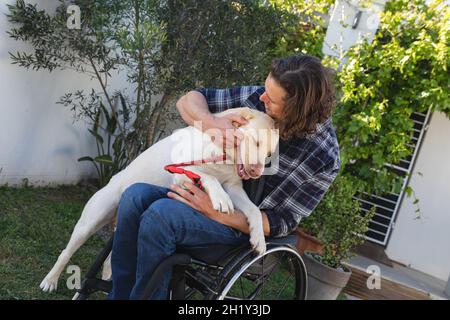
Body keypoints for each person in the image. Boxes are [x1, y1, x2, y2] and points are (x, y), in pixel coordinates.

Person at [108, 54, 340, 300]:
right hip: (209, 191)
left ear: (294, 110)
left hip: (240, 229)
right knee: (135, 196)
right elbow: (189, 100)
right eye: (264, 90)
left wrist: (217, 213)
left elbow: (281, 222)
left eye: (270, 99)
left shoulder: (324, 158)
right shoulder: (258, 101)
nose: (262, 98)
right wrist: (211, 123)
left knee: (161, 216)